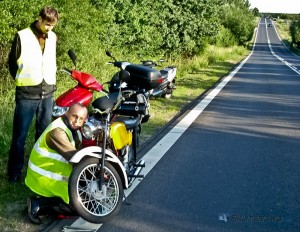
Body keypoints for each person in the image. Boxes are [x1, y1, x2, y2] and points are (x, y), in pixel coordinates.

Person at [7, 6, 59, 183]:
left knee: (44, 136)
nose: (49, 28)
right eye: (47, 24)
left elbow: (50, 62)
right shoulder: (22, 36)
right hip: (27, 93)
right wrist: (23, 80)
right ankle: (14, 174)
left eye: (52, 25)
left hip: (48, 92)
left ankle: (39, 171)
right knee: (19, 136)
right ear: (39, 18)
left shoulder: (53, 37)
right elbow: (12, 64)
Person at [25, 103, 88, 224]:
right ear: (67, 113)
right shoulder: (58, 132)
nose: (76, 121)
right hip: (43, 180)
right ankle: (38, 204)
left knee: (87, 200)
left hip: (54, 177)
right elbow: (75, 158)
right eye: (74, 116)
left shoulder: (73, 130)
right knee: (80, 208)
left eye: (81, 119)